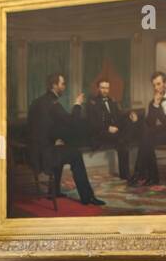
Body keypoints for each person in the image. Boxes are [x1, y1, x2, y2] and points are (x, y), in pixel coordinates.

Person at [27, 72, 105, 206]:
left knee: (62, 148)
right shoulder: (53, 104)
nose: (64, 87)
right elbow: (72, 121)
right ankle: (87, 197)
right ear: (54, 86)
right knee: (75, 154)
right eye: (62, 84)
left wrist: (55, 139)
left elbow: (41, 127)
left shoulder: (37, 102)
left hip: (34, 153)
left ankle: (55, 190)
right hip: (45, 155)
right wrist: (77, 104)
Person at [85, 78, 135, 181]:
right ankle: (125, 175)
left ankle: (125, 175)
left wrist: (129, 114)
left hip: (113, 132)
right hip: (99, 133)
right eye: (103, 88)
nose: (105, 90)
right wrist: (108, 128)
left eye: (107, 88)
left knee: (124, 136)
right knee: (122, 141)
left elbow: (119, 116)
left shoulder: (112, 101)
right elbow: (92, 124)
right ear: (98, 88)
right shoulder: (92, 103)